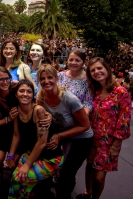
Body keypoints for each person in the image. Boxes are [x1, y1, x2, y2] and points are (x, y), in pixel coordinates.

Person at [76, 57, 131, 199]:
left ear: (107, 69)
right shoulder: (93, 91)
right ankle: (87, 192)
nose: (96, 72)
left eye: (99, 68)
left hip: (108, 142)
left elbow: (124, 120)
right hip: (90, 137)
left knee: (99, 176)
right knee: (89, 166)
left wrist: (116, 144)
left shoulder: (121, 92)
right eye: (92, 70)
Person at [36, 64, 93, 199]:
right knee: (46, 157)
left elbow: (85, 126)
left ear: (56, 78)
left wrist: (59, 136)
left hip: (82, 137)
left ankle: (64, 195)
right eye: (42, 78)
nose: (46, 81)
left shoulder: (69, 98)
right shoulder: (42, 96)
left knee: (67, 172)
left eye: (50, 77)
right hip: (63, 133)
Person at [7, 79, 64, 199]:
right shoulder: (16, 110)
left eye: (29, 91)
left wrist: (27, 165)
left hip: (51, 158)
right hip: (33, 153)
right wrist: (10, 157)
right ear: (16, 94)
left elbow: (42, 143)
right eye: (21, 91)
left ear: (33, 95)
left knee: (17, 178)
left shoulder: (38, 111)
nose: (25, 94)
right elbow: (16, 135)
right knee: (17, 178)